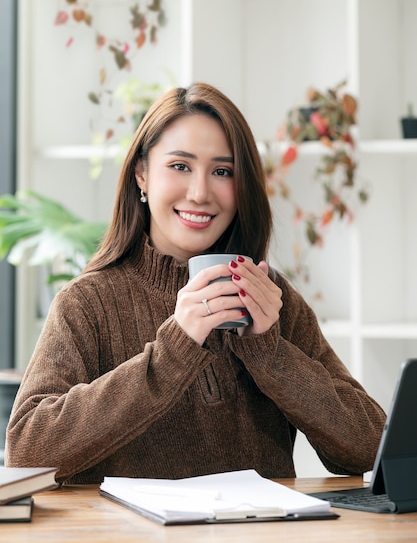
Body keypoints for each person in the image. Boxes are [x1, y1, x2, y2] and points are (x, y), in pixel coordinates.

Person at [6, 82, 385, 484]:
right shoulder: (87, 303)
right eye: (180, 166)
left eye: (222, 171)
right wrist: (174, 351)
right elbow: (28, 453)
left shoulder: (273, 300)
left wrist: (270, 354)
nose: (200, 192)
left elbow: (370, 448)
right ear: (142, 174)